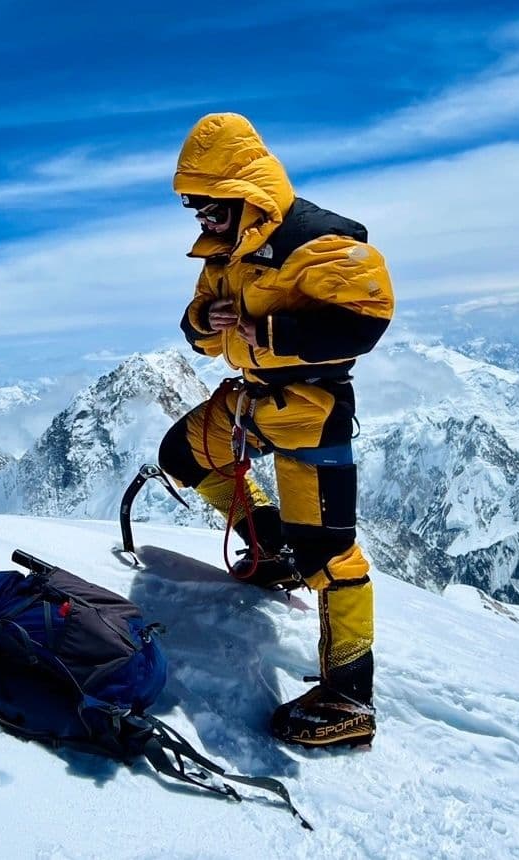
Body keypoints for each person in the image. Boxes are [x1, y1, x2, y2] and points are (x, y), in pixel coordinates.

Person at [157, 113, 394, 748]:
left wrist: (266, 334)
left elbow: (365, 321)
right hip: (249, 401)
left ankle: (350, 700)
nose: (201, 220)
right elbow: (195, 331)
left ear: (244, 197)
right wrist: (210, 318)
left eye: (209, 207)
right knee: (181, 455)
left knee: (332, 556)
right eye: (194, 207)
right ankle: (269, 544)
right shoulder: (224, 253)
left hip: (312, 411)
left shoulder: (318, 242)